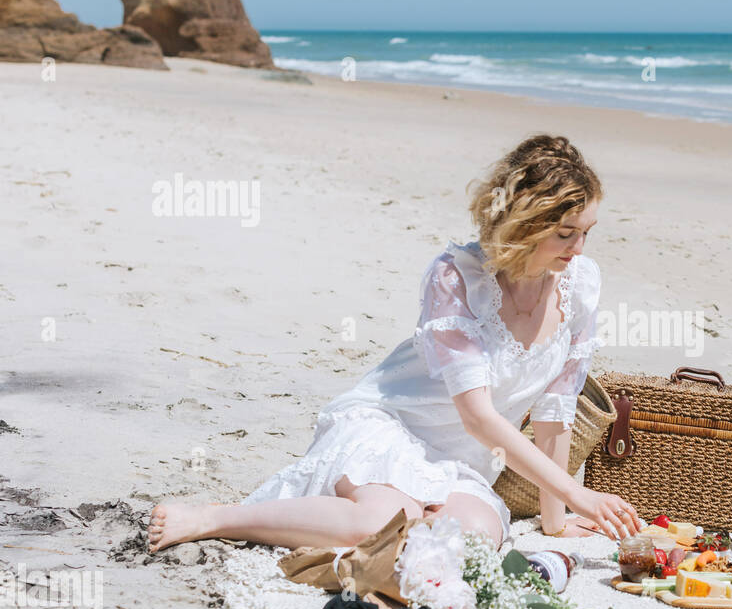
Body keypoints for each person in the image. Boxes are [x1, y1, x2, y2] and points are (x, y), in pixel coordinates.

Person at [148, 134, 642, 553]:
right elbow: (478, 416)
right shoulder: (457, 277)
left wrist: (555, 519)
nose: (579, 249)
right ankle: (217, 519)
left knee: (473, 538)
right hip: (393, 427)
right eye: (565, 233)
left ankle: (386, 518)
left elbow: (556, 410)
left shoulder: (581, 285)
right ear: (524, 223)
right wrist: (579, 494)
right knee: (380, 524)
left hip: (464, 464)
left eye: (586, 233)